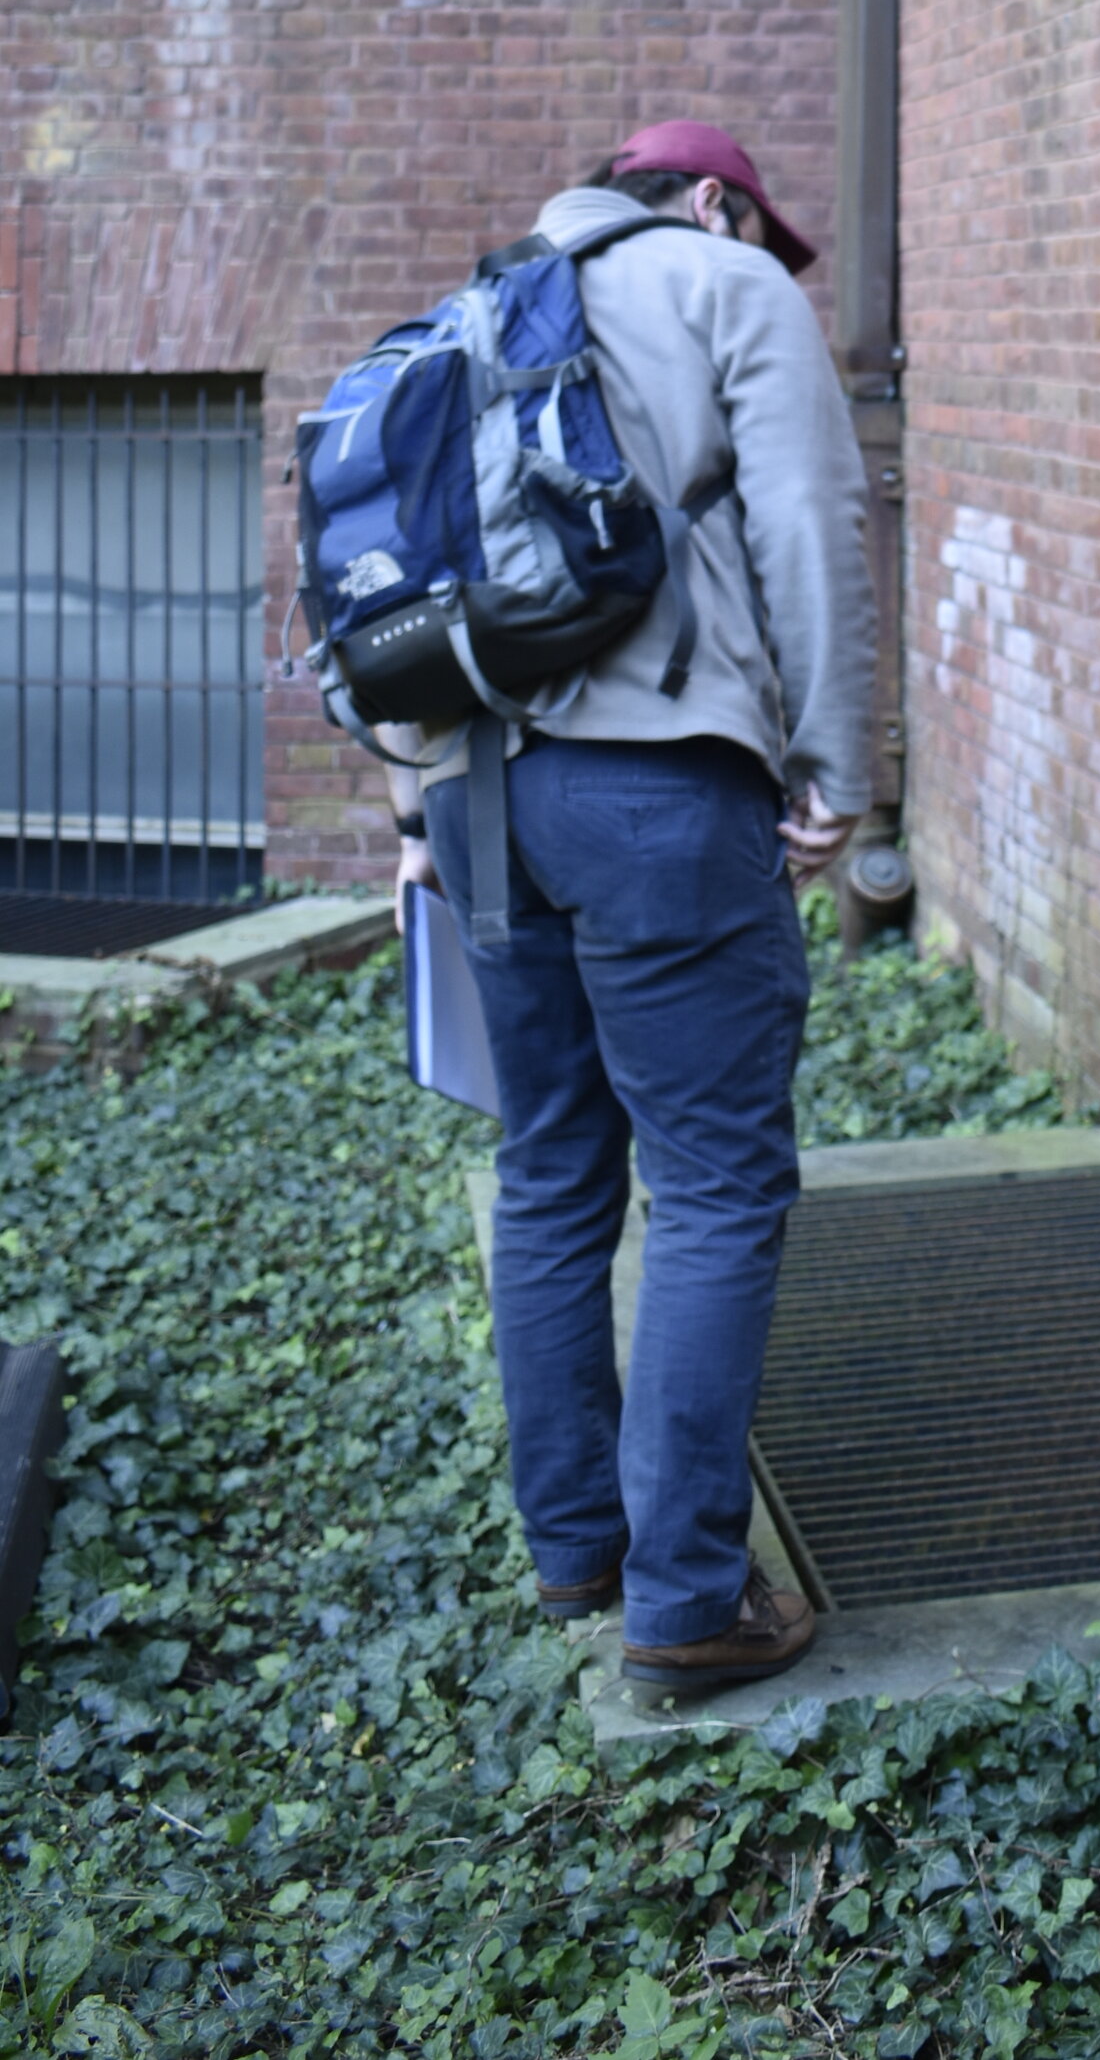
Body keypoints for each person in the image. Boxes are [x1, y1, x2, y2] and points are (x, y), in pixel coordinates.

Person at [390, 121, 874, 1699]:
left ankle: (578, 1547)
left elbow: (394, 560)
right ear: (717, 200)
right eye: (763, 232)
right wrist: (838, 763)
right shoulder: (731, 284)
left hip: (478, 797)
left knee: (548, 1167)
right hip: (659, 788)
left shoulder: (477, 307)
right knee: (716, 1183)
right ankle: (685, 1600)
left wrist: (412, 809)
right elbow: (809, 524)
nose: (771, 260)